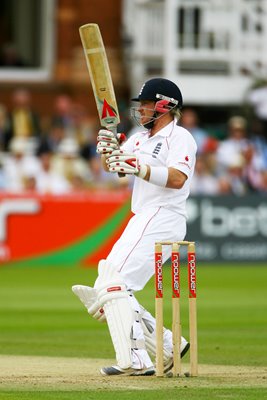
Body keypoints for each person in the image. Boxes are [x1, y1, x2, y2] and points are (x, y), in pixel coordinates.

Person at [72, 78, 197, 376]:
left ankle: (138, 358)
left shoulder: (180, 138)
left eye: (145, 104)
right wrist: (107, 150)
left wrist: (138, 167)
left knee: (113, 282)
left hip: (165, 215)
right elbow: (114, 166)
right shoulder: (140, 138)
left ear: (164, 106)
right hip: (142, 216)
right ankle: (168, 344)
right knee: (109, 283)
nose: (140, 110)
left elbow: (179, 178)